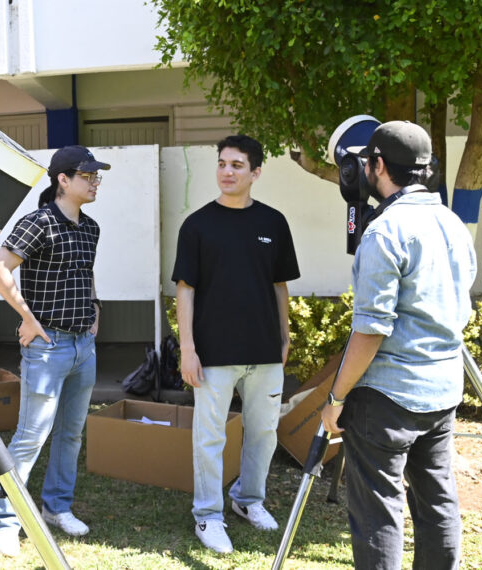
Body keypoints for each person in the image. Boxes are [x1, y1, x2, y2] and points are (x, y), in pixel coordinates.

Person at [321, 121, 476, 570]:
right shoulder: (451, 222)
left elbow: (370, 331)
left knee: (378, 514)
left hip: (386, 399)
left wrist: (336, 398)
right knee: (437, 503)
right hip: (443, 392)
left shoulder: (384, 232)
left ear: (378, 165)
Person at [172, 134, 299, 554]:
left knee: (263, 431)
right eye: (222, 164)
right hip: (213, 352)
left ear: (255, 172)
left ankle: (248, 500)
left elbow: (279, 285)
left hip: (264, 350)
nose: (227, 172)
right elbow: (185, 289)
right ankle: (208, 516)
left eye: (237, 165)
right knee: (210, 437)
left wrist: (284, 335)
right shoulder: (197, 225)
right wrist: (187, 348)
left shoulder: (273, 222)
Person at [0, 145, 107, 557]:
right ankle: (6, 520)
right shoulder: (38, 223)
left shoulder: (89, 228)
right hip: (46, 346)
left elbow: (86, 275)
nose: (95, 182)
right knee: (31, 436)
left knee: (71, 433)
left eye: (96, 177)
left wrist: (94, 309)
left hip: (82, 346)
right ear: (63, 180)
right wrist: (27, 317)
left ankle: (56, 508)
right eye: (87, 176)